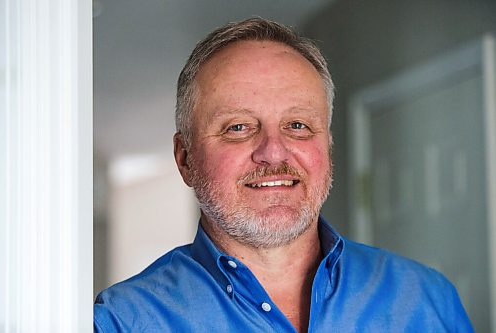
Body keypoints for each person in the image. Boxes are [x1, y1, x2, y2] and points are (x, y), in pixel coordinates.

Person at [94, 18, 473, 332]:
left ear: (327, 144)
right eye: (239, 127)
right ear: (185, 159)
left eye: (297, 124)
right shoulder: (123, 320)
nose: (273, 151)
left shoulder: (426, 301)